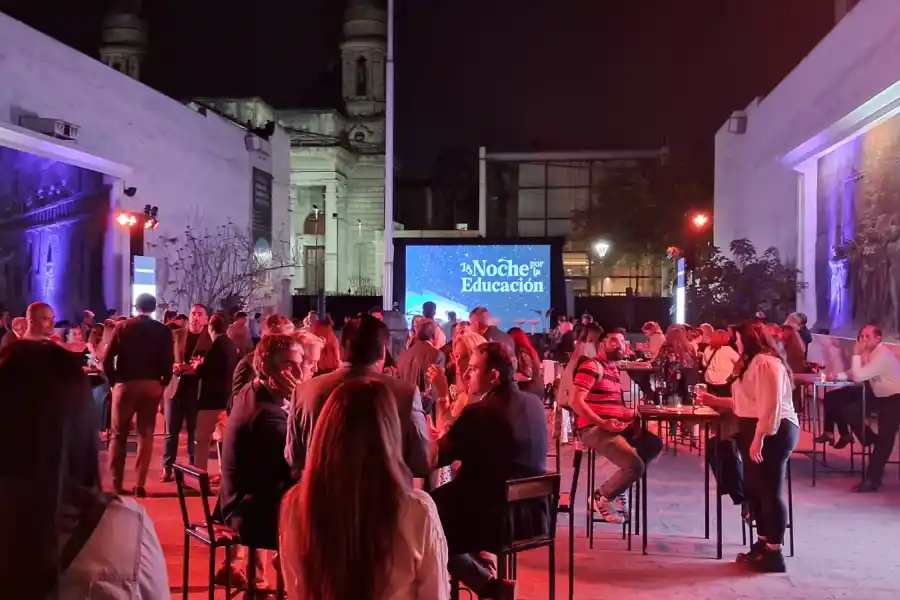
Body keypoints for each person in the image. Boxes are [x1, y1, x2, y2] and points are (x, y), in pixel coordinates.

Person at [0, 340, 169, 598]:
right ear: (83, 422)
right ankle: (136, 481)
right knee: (143, 436)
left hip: (126, 389)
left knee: (120, 436)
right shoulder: (125, 531)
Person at [280, 377, 450, 600]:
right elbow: (435, 595)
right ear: (390, 436)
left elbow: (296, 591)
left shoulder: (296, 505)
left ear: (324, 433)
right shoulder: (417, 511)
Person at [430, 342, 547, 600]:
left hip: (495, 519)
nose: (466, 374)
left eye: (473, 369)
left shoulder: (480, 413)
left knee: (423, 518)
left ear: (493, 376)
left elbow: (437, 458)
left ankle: (485, 583)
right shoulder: (535, 404)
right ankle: (487, 578)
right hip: (534, 515)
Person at [286, 314, 433, 480]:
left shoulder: (304, 391)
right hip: (384, 495)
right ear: (383, 352)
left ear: (341, 350)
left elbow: (294, 458)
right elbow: (422, 462)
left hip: (321, 494)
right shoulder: (405, 394)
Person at [219, 333, 298, 585]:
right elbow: (297, 467)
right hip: (251, 515)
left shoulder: (250, 390)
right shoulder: (267, 415)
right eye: (289, 365)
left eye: (303, 363)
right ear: (268, 369)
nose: (299, 372)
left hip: (237, 502)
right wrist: (301, 401)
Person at [569, 328, 663, 523]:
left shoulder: (613, 369)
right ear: (602, 344)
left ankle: (620, 487)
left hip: (615, 425)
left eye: (622, 341)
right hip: (593, 428)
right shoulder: (592, 366)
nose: (620, 345)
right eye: (613, 340)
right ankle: (601, 497)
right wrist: (603, 422)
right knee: (635, 466)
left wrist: (630, 416)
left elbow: (613, 404)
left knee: (653, 444)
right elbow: (575, 401)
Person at [730, 322, 799, 572]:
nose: (735, 343)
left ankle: (774, 551)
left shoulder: (766, 363)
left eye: (738, 339)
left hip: (773, 430)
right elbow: (748, 400)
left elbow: (770, 405)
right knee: (756, 489)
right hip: (756, 428)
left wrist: (759, 437)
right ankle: (762, 542)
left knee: (769, 489)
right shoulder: (753, 362)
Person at [103, 293, 175, 497]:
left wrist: (114, 381)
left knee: (118, 435)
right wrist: (163, 382)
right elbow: (168, 359)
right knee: (146, 433)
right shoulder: (163, 330)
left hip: (125, 384)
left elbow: (108, 359)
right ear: (154, 308)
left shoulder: (122, 327)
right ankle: (140, 484)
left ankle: (116, 483)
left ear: (136, 307)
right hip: (151, 384)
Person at [833, 325, 900, 492]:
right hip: (879, 396)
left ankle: (872, 479)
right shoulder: (871, 353)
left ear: (878, 339)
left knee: (886, 439)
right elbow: (856, 371)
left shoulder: (882, 355)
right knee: (849, 411)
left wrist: (855, 353)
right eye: (861, 336)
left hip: (895, 398)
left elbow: (859, 375)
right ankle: (872, 440)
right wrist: (840, 376)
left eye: (867, 336)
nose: (862, 340)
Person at [162, 303, 212, 481]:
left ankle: (193, 470)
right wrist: (173, 366)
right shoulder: (177, 335)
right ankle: (167, 468)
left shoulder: (209, 339)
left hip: (196, 391)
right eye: (193, 314)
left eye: (199, 314)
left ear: (206, 319)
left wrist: (194, 369)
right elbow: (165, 357)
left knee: (194, 434)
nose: (195, 317)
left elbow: (212, 366)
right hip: (175, 389)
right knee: (171, 433)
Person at [194, 314, 239, 473]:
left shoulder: (216, 347)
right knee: (223, 439)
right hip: (226, 398)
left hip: (211, 401)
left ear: (210, 328)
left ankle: (200, 474)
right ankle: (224, 474)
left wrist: (198, 366)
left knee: (202, 439)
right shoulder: (230, 345)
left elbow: (208, 372)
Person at [397, 319, 446, 416]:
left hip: (404, 412)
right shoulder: (437, 355)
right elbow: (434, 391)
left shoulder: (404, 355)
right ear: (434, 336)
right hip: (426, 416)